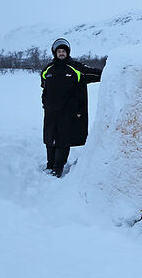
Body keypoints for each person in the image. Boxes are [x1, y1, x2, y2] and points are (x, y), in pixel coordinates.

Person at [41, 38, 103, 177]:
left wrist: (112, 69)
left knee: (63, 140)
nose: (61, 53)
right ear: (55, 53)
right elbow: (44, 89)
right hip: (51, 113)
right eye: (59, 51)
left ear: (67, 52)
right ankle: (49, 165)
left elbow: (97, 74)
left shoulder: (76, 67)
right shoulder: (48, 70)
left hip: (67, 113)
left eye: (63, 51)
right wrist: (45, 104)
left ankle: (58, 168)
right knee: (50, 139)